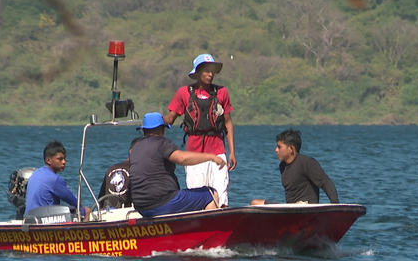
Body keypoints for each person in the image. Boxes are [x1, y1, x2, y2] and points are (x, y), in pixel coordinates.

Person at [163, 53, 236, 207]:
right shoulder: (184, 93)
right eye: (206, 70)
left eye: (212, 71)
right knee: (197, 197)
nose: (210, 74)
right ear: (197, 72)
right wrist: (152, 120)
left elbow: (228, 123)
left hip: (217, 150)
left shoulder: (222, 92)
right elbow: (170, 118)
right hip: (193, 153)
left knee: (221, 196)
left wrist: (232, 153)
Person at [129, 112, 226, 217]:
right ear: (162, 130)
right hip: (164, 202)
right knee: (210, 194)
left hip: (141, 206)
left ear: (143, 131)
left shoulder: (135, 148)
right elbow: (182, 158)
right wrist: (211, 157)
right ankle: (208, 231)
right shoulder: (162, 143)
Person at [251, 129, 339, 205]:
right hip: (290, 208)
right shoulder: (282, 166)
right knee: (255, 203)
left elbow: (325, 182)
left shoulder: (306, 162)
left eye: (279, 147)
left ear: (291, 149)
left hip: (306, 207)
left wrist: (335, 203)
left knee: (255, 202)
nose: (276, 150)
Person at [25, 140, 90, 219]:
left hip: (28, 218)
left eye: (65, 159)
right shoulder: (54, 179)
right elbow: (75, 202)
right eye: (60, 159)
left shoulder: (35, 173)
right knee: (86, 211)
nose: (64, 162)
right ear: (48, 160)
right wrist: (83, 210)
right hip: (44, 220)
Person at [97, 137, 141, 209]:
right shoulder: (138, 170)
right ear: (131, 151)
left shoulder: (112, 168)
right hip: (127, 214)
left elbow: (100, 202)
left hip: (106, 213)